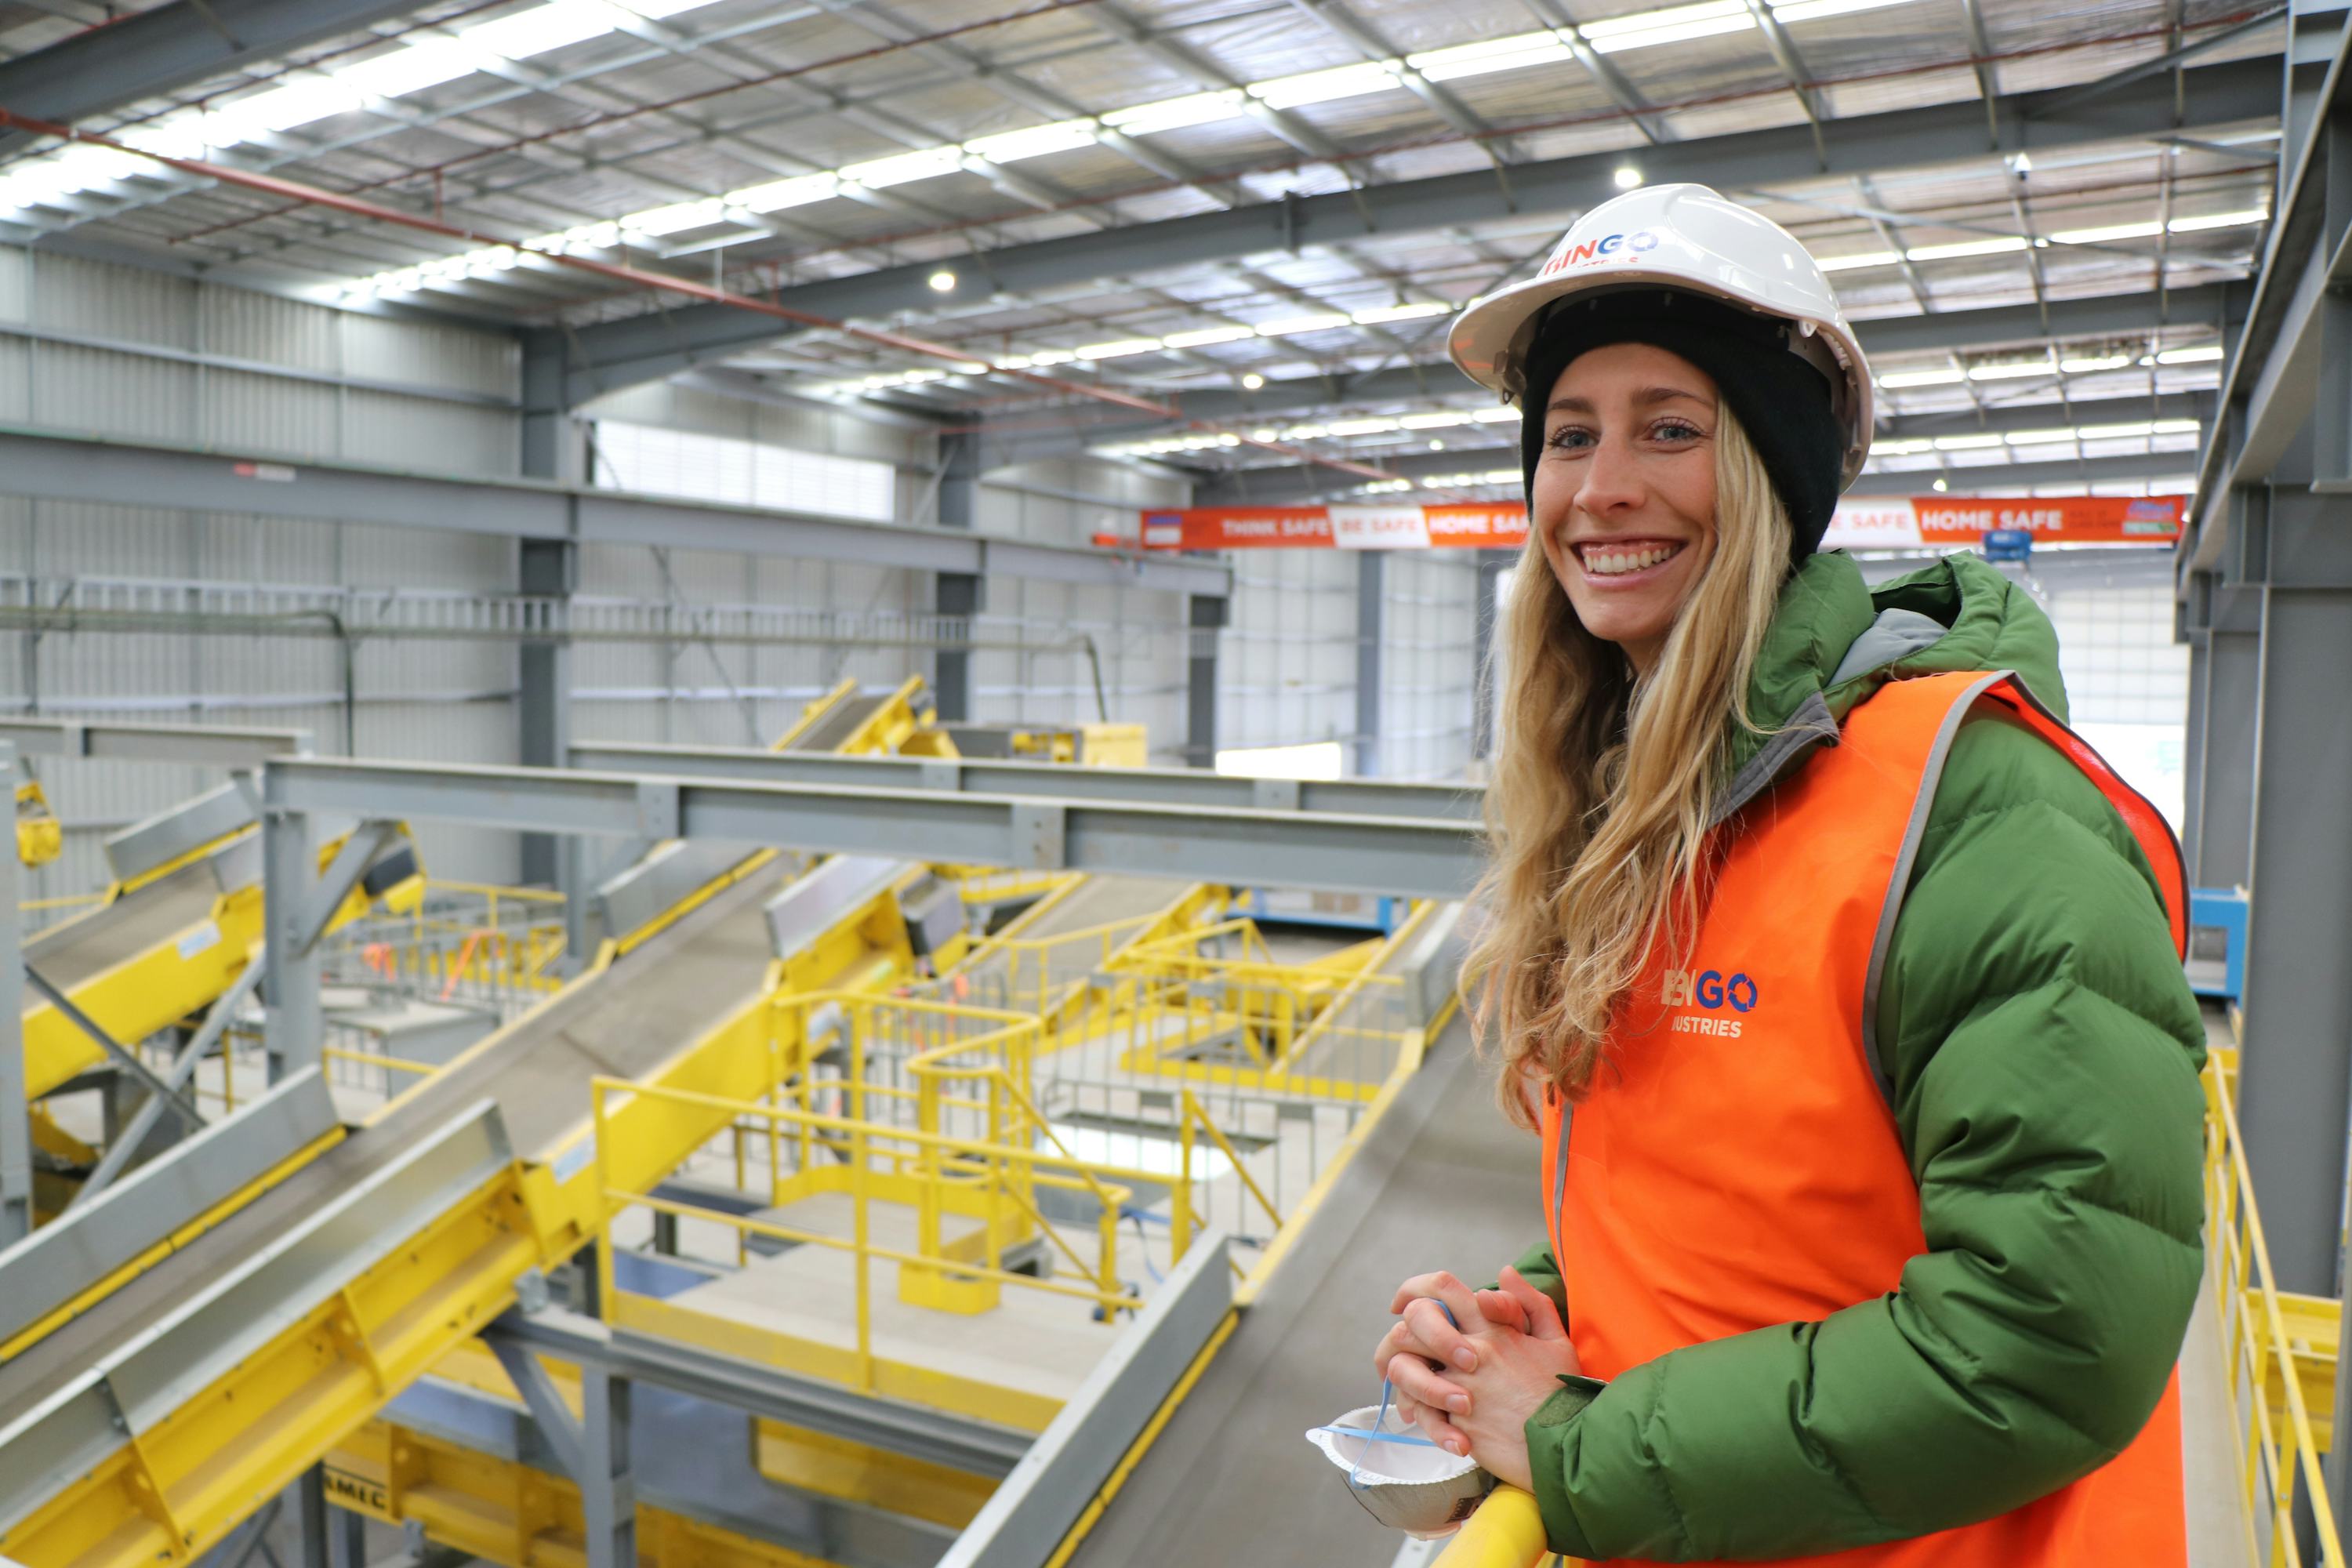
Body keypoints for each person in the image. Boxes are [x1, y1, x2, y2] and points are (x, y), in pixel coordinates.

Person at [1368, 183, 2206, 1565]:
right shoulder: (1644, 804)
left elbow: (2052, 1333)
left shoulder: (1978, 811)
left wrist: (1570, 1448)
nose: (1602, 485)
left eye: (1670, 428)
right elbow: (1756, 1209)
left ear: (1776, 472)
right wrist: (1526, 1322)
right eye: (1569, 435)